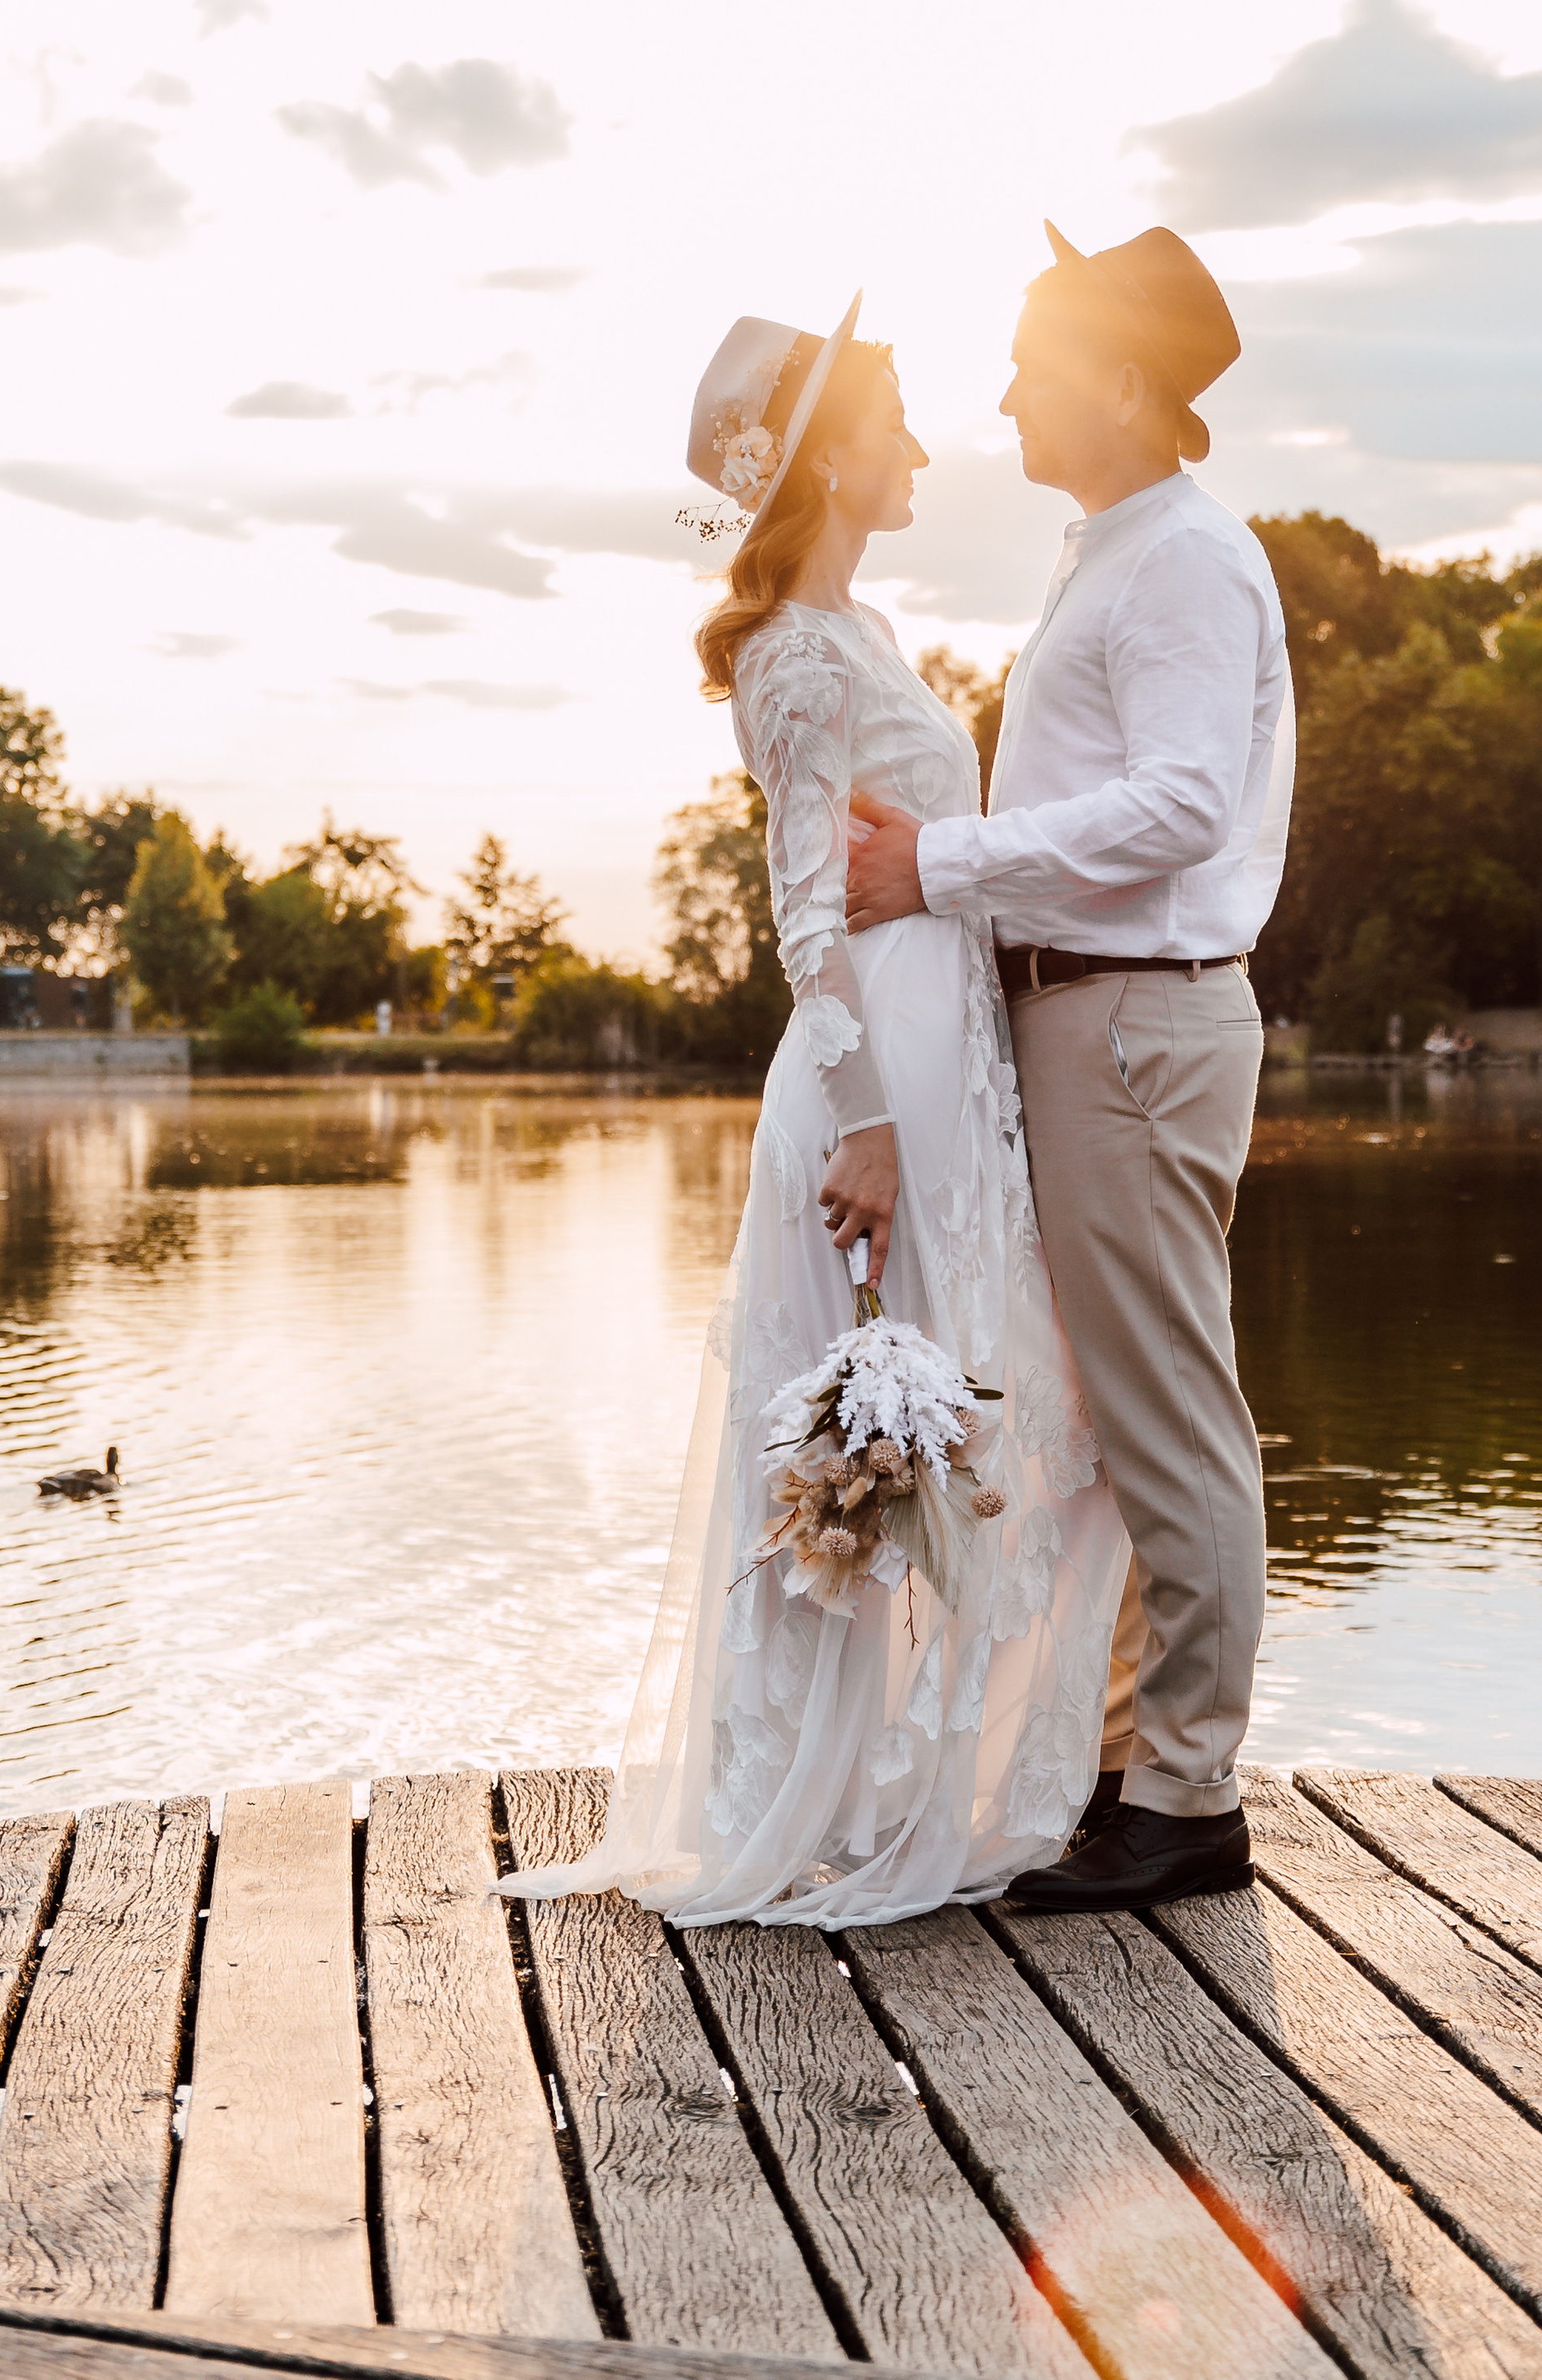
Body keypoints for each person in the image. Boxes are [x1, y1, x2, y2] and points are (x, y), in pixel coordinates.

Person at [498, 293, 1128, 1926]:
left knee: (953, 1417)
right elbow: (804, 912)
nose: (920, 445)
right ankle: (799, 1790)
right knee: (859, 1425)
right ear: (831, 459)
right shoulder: (788, 655)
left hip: (945, 1060)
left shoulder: (868, 637)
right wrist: (861, 1122)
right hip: (874, 1088)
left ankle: (909, 1780)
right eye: (897, 421)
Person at [846, 222, 1292, 1910]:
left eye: (1034, 362)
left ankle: (1183, 1797)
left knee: (1167, 1412)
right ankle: (1125, 1765)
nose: (1008, 392)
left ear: (1118, 380)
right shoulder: (1110, 551)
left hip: (1132, 1020)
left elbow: (1182, 806)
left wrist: (938, 870)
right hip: (1090, 1019)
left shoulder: (1179, 561)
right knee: (1112, 1407)